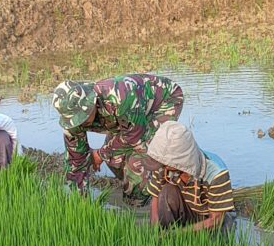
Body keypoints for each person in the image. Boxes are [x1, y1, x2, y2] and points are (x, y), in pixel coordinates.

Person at [51, 74, 183, 205]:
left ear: (91, 101)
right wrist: (78, 201)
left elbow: (134, 136)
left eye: (83, 115)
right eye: (76, 118)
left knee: (138, 158)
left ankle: (146, 199)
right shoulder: (71, 123)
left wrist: (99, 154)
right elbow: (76, 162)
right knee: (114, 159)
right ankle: (135, 185)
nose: (81, 122)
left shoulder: (119, 96)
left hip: (163, 102)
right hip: (128, 118)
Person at [143, 121, 234, 232]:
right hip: (187, 210)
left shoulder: (216, 174)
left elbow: (216, 219)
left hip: (210, 218)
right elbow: (155, 197)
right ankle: (166, 235)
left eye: (166, 164)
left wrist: (176, 234)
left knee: (216, 239)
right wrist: (155, 230)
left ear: (179, 162)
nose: (163, 167)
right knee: (167, 192)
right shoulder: (162, 164)